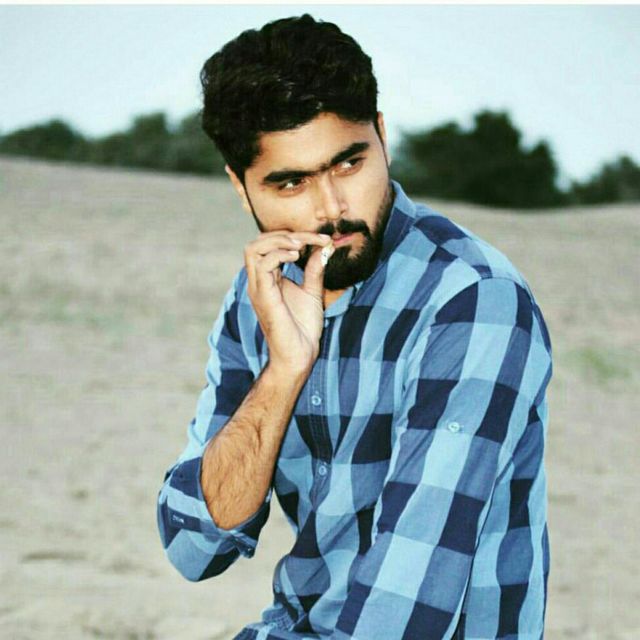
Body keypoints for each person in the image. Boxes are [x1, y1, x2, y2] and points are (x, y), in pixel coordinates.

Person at [156, 13, 553, 640]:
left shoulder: (473, 301)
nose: (332, 209)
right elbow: (193, 546)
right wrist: (284, 371)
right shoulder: (261, 297)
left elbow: (406, 611)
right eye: (291, 182)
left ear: (383, 138)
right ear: (241, 187)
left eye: (348, 164)